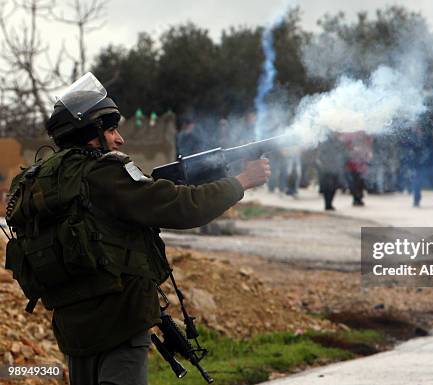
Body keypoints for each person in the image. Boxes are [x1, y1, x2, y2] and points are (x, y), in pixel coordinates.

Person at [4, 73, 270, 385]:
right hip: (120, 323)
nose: (120, 139)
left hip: (74, 331)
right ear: (92, 134)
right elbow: (183, 207)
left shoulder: (44, 178)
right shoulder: (104, 173)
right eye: (112, 130)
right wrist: (241, 182)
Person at [411, 125, 433, 207]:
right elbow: (413, 150)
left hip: (429, 164)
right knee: (417, 182)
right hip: (420, 165)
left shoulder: (429, 138)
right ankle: (416, 200)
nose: (417, 130)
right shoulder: (415, 138)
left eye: (418, 128)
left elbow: (431, 152)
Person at [339, 131, 373, 206]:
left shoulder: (363, 135)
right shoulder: (349, 135)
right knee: (356, 180)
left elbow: (369, 145)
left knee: (359, 180)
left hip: (360, 162)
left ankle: (358, 197)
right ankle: (357, 197)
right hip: (353, 162)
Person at [316, 133, 346, 210]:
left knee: (333, 187)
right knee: (328, 187)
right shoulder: (324, 143)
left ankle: (329, 203)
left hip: (334, 168)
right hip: (327, 168)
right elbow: (319, 156)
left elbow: (343, 154)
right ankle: (328, 203)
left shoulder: (339, 143)